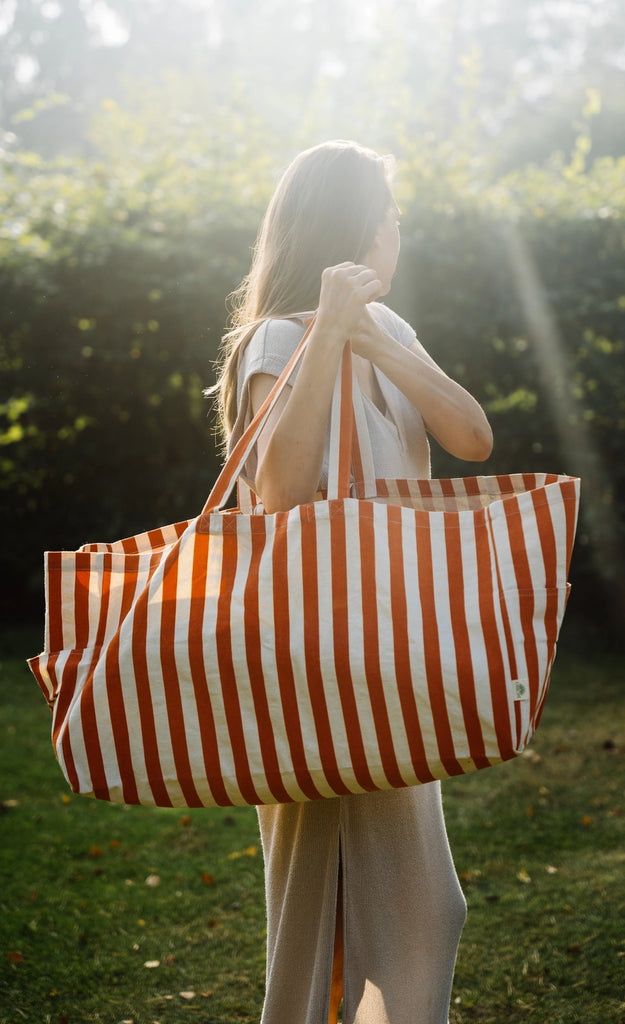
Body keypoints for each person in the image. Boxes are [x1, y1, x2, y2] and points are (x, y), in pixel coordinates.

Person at [213, 140, 493, 1024]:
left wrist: (375, 337)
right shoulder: (277, 341)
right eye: (391, 216)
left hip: (392, 648)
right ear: (353, 227)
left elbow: (472, 438)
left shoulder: (395, 328)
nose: (397, 234)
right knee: (314, 921)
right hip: (309, 654)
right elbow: (281, 491)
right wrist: (328, 330)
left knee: (412, 911)